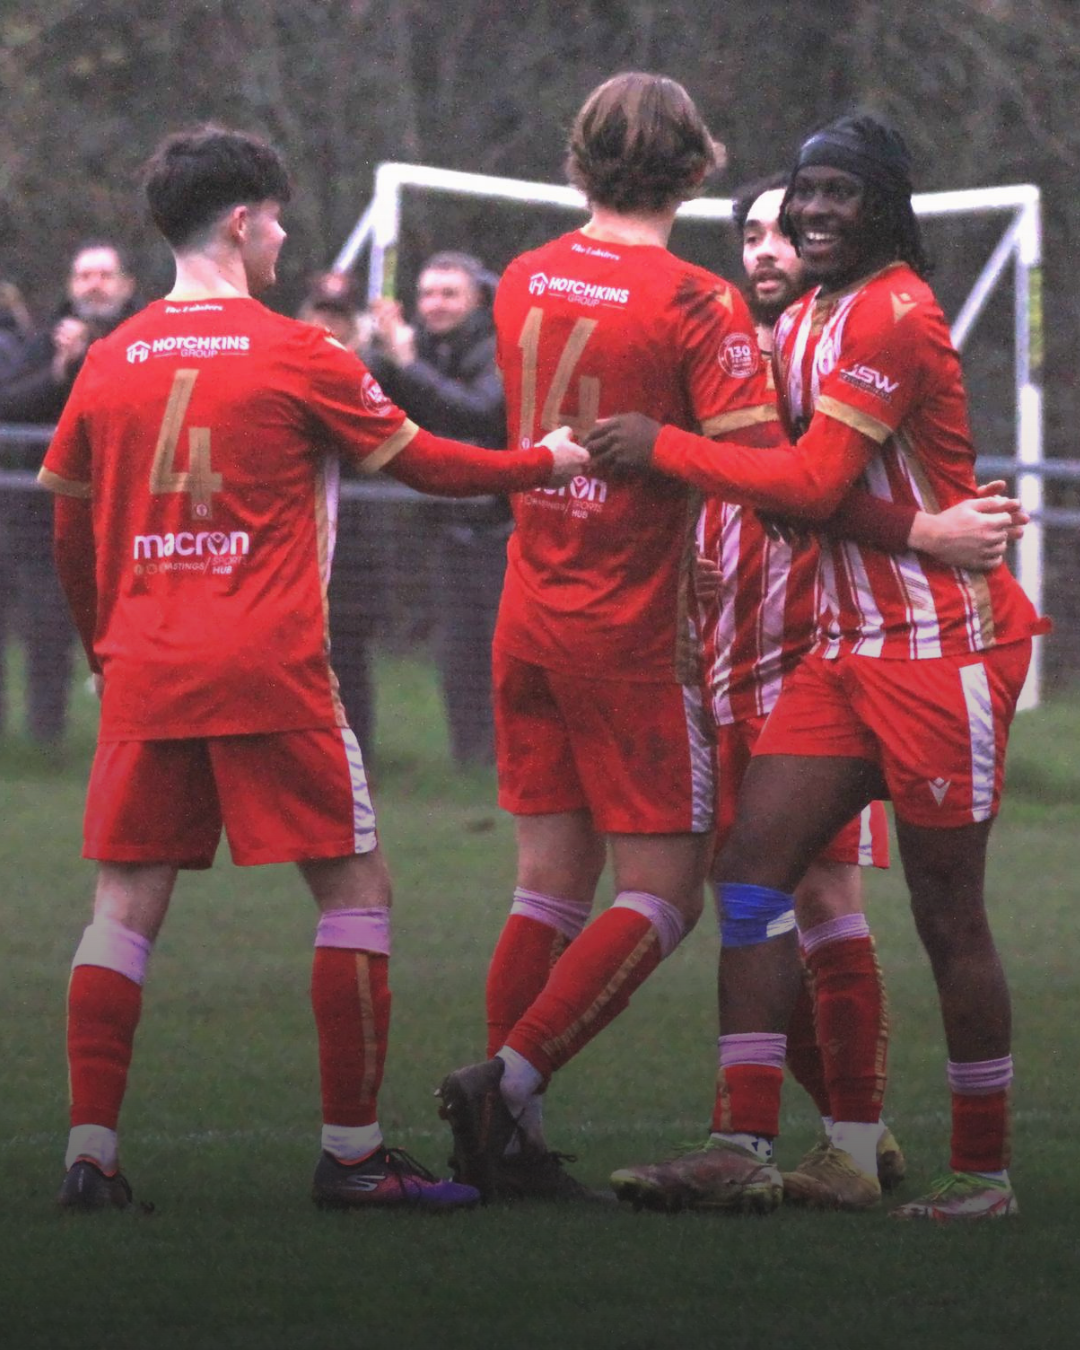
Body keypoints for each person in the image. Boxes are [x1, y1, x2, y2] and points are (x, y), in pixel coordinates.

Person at [38, 124, 587, 1214]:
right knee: (355, 890)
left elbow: (69, 523)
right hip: (270, 671)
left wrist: (108, 640)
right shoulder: (298, 353)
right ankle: (352, 1154)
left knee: (124, 906)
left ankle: (90, 1156)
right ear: (242, 222)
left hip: (147, 670)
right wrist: (547, 460)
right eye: (279, 218)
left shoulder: (109, 358)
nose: (285, 237)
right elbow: (429, 463)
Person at [589, 114, 1048, 1221]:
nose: (816, 211)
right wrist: (903, 523)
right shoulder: (802, 318)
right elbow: (780, 484)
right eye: (807, 191)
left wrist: (661, 446)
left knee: (949, 915)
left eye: (841, 193)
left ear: (887, 208)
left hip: (943, 649)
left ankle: (983, 1176)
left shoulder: (896, 315)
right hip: (844, 654)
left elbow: (802, 485)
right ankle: (744, 1145)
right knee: (750, 877)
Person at [435, 72, 786, 1202]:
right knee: (666, 890)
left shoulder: (526, 278)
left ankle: (509, 1145)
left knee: (545, 885)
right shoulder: (699, 301)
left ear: (577, 162)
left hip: (527, 607)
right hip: (634, 629)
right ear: (698, 168)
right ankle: (510, 1079)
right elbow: (760, 467)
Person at [364, 252, 509, 767]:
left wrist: (406, 362)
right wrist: (373, 347)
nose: (435, 305)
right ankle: (471, 760)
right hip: (444, 525)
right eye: (427, 293)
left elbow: (479, 411)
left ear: (475, 301)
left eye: (449, 294)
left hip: (501, 528)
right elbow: (367, 392)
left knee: (502, 650)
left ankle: (509, 758)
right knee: (457, 648)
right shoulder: (417, 344)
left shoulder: (496, 344)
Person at [0, 242, 138, 746]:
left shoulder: (144, 336)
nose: (93, 284)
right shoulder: (46, 339)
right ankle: (46, 739)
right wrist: (60, 370)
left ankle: (139, 739)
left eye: (104, 274)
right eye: (83, 276)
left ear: (125, 285)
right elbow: (8, 401)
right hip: (48, 518)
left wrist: (90, 357)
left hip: (132, 514)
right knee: (46, 628)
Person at [298, 274, 382, 759]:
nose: (327, 326)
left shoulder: (375, 370)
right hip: (300, 534)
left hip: (356, 542)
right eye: (319, 315)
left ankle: (357, 755)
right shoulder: (287, 365)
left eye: (338, 319)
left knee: (348, 653)